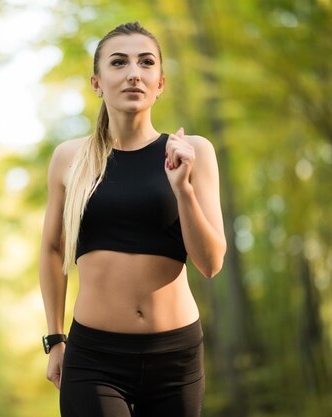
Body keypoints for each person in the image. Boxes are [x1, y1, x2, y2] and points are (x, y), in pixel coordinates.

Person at [39, 21, 226, 417]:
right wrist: (56, 340)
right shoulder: (69, 159)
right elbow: (53, 250)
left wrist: (183, 189)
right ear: (97, 81)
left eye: (146, 63)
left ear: (160, 82)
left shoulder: (193, 152)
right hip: (94, 358)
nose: (133, 73)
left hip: (176, 357)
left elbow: (210, 264)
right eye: (119, 63)